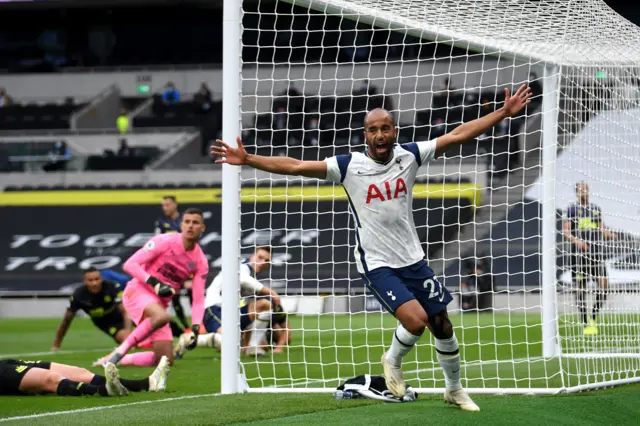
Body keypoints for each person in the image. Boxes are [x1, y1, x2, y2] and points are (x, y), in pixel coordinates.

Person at [211, 84, 532, 411]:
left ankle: (454, 389)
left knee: (442, 324)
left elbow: (458, 134)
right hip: (377, 263)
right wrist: (248, 158)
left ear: (394, 131)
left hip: (413, 258)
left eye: (384, 128)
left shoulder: (411, 155)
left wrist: (504, 113)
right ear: (365, 135)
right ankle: (392, 361)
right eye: (372, 129)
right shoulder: (348, 166)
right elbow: (295, 166)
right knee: (416, 320)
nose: (379, 134)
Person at [93, 208, 209, 368]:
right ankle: (120, 352)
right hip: (138, 291)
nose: (190, 226)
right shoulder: (164, 241)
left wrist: (195, 328)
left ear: (202, 228)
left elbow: (197, 299)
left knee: (165, 361)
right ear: (181, 225)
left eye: (195, 222)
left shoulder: (200, 261)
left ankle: (110, 361)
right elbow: (129, 264)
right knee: (162, 317)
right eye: (187, 222)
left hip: (159, 305)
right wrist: (154, 283)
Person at [174, 246, 280, 358]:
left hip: (230, 314)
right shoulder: (243, 266)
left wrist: (247, 341)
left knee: (264, 305)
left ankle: (252, 348)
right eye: (260, 257)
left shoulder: (252, 276)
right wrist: (270, 292)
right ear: (252, 256)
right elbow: (242, 278)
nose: (262, 262)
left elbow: (251, 316)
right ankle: (187, 339)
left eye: (266, 260)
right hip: (214, 309)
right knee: (230, 342)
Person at [562, 182, 616, 335]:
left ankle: (593, 317)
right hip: (578, 256)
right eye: (581, 190)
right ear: (576, 193)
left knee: (604, 286)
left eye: (586, 189)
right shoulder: (572, 210)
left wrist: (609, 234)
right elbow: (566, 232)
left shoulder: (595, 209)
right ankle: (585, 322)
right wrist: (578, 242)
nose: (584, 192)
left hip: (596, 254)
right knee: (581, 288)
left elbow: (601, 228)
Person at [0, 356, 170, 396]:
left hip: (4, 362)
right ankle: (104, 390)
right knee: (50, 379)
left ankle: (147, 384)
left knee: (80, 373)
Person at [52, 268, 132, 351]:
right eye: (90, 280)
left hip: (123, 314)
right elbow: (66, 321)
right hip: (107, 323)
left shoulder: (111, 287)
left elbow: (125, 311)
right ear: (84, 281)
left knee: (136, 330)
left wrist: (128, 334)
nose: (94, 283)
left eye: (97, 279)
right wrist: (56, 345)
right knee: (128, 339)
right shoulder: (78, 295)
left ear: (101, 278)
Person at [153, 195, 192, 337]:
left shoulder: (185, 221)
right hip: (170, 266)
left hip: (186, 263)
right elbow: (157, 241)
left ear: (175, 205)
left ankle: (198, 324)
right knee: (173, 296)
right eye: (163, 205)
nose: (165, 207)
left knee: (193, 290)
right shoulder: (161, 223)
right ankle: (186, 327)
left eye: (168, 204)